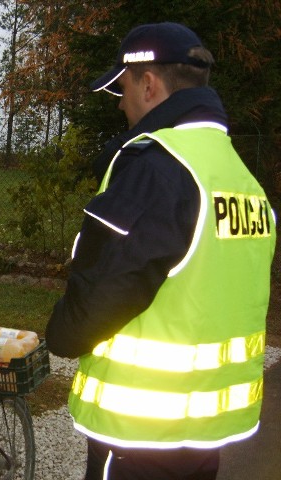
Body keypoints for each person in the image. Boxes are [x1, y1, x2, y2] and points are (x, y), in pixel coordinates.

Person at [45, 22, 276, 480]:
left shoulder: (158, 167)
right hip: (205, 435)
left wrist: (61, 334)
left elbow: (101, 294)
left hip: (140, 433)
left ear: (148, 83)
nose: (123, 105)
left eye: (123, 90)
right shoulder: (243, 181)